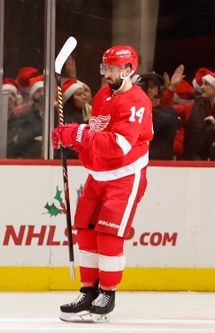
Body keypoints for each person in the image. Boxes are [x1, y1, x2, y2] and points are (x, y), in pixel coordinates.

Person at [51, 45, 152, 323]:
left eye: (111, 69)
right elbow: (96, 138)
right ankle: (88, 291)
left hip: (125, 177)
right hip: (98, 176)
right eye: (104, 68)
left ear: (128, 70)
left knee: (108, 235)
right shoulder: (102, 95)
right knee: (85, 231)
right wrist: (71, 141)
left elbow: (118, 145)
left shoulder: (136, 102)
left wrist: (79, 134)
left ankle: (107, 293)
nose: (106, 74)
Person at [136, 72, 179, 160]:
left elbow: (156, 124)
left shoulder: (169, 113)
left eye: (152, 87)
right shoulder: (134, 112)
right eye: (145, 87)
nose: (148, 90)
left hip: (160, 166)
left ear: (159, 91)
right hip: (136, 164)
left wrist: (144, 101)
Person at [7, 75, 44, 158]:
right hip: (29, 156)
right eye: (38, 91)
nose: (42, 94)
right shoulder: (23, 115)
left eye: (44, 90)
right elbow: (15, 142)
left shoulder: (54, 113)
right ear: (32, 95)